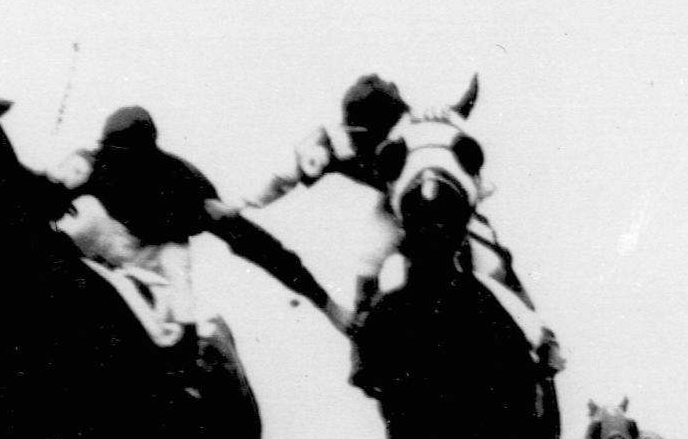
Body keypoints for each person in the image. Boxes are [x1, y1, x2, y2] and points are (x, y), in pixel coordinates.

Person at [232, 74, 564, 375]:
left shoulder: (423, 127)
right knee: (368, 256)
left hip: (437, 207)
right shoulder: (335, 145)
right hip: (394, 210)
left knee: (489, 258)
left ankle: (542, 337)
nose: (367, 143)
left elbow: (467, 161)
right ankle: (362, 345)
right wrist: (246, 202)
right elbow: (286, 176)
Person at [50, 106, 349, 377]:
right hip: (103, 245)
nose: (116, 164)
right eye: (110, 153)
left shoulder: (183, 185)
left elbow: (259, 246)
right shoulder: (90, 166)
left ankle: (186, 358)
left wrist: (326, 304)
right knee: (81, 218)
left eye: (125, 157)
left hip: (154, 255)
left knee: (175, 265)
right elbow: (39, 197)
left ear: (145, 156)